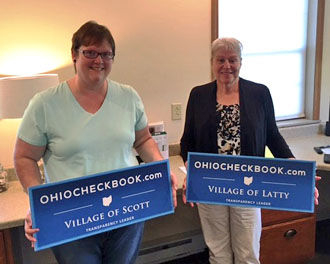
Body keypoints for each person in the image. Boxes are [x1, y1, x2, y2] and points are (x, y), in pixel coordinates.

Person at [14, 20, 177, 264]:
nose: (99, 60)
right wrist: (39, 204)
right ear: (74, 55)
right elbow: (24, 157)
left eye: (106, 54)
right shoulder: (44, 104)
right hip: (72, 216)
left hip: (126, 210)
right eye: (90, 52)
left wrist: (160, 169)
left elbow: (143, 139)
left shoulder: (128, 96)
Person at [180, 37, 319, 264]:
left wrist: (300, 173)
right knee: (218, 253)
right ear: (212, 63)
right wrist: (191, 172)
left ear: (241, 62)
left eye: (232, 60)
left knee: (247, 253)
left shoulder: (259, 94)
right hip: (210, 185)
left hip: (248, 185)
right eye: (221, 60)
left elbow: (273, 137)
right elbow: (187, 142)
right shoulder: (198, 95)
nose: (227, 66)